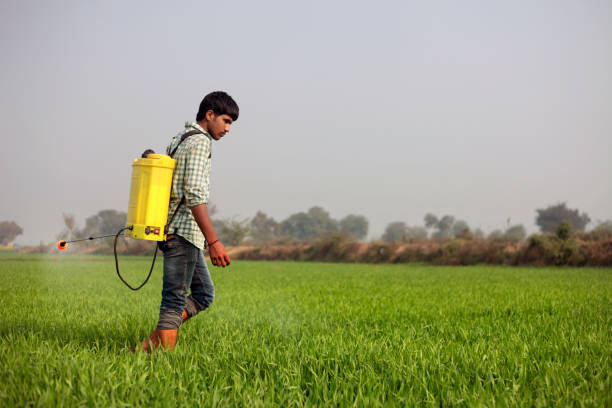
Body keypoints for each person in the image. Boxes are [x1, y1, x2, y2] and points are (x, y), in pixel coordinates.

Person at [139, 91, 239, 352]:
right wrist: (214, 241)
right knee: (173, 301)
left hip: (178, 232)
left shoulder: (180, 138)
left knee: (204, 294)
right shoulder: (200, 142)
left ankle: (143, 351)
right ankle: (162, 364)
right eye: (226, 121)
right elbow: (194, 194)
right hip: (182, 234)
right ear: (210, 115)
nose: (228, 129)